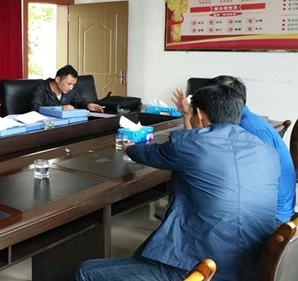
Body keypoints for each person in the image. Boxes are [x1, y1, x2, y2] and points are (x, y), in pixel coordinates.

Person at [77, 85, 279, 281]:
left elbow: (149, 153)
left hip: (201, 267)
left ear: (199, 114)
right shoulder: (266, 151)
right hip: (254, 263)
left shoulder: (190, 143)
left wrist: (129, 148)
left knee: (87, 271)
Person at [173, 75, 296, 224]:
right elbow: (195, 145)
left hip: (272, 215)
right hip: (261, 206)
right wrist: (187, 115)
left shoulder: (250, 129)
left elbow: (195, 150)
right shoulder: (234, 122)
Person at [29, 65, 104, 112]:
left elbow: (79, 101)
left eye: (73, 84)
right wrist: (61, 108)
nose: (71, 88)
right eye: (69, 84)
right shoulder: (41, 89)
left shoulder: (70, 91)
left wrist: (88, 105)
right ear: (58, 79)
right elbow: (35, 108)